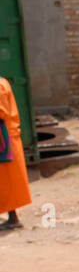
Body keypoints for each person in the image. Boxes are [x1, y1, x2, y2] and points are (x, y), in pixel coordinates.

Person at [0, 76, 31, 230]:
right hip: (6, 136)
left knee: (7, 180)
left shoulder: (0, 85)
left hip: (4, 138)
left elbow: (1, 111)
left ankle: (13, 218)